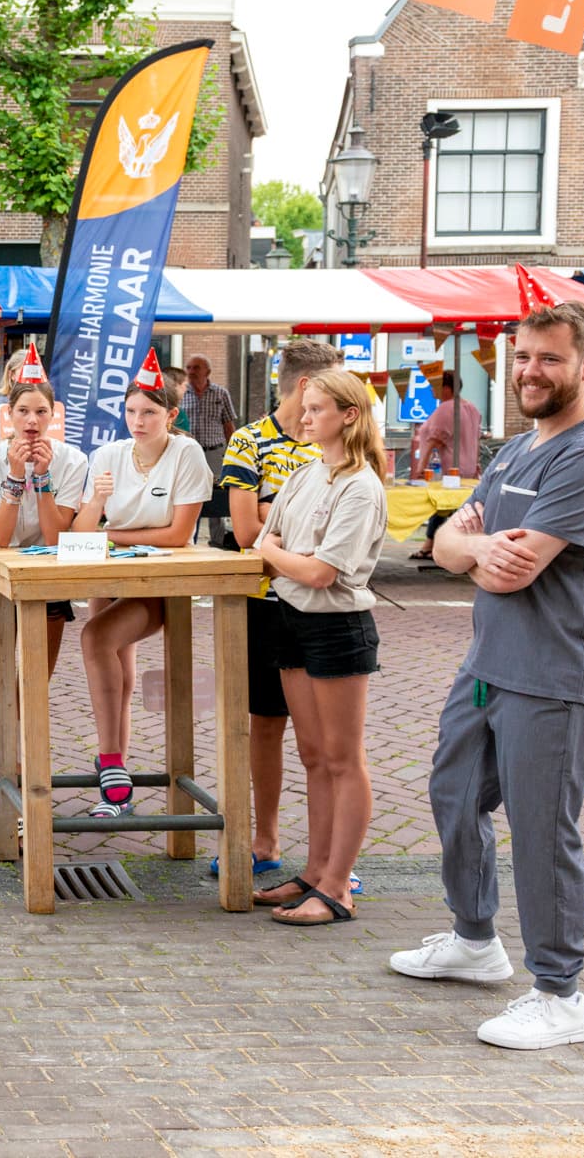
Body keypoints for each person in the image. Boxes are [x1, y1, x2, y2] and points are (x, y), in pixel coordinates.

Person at [392, 302, 584, 1051]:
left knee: (540, 831)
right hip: (488, 666)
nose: (531, 370)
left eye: (550, 358)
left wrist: (475, 548)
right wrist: (468, 548)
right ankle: (475, 939)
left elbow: (509, 569)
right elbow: (443, 543)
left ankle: (560, 993)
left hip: (558, 677)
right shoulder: (514, 451)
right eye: (523, 356)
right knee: (453, 793)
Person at [249, 369, 387, 927]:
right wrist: (279, 552)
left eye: (315, 410)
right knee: (311, 755)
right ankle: (313, 872)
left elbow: (321, 572)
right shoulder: (307, 473)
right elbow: (273, 541)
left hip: (336, 627)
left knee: (341, 758)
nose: (303, 418)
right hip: (289, 619)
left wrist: (274, 551)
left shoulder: (361, 484)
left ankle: (338, 888)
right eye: (304, 409)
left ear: (348, 415)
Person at [218, 336, 343, 876]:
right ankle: (264, 843)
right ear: (305, 386)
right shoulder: (248, 441)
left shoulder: (339, 442)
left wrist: (275, 514)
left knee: (326, 739)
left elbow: (344, 530)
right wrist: (298, 522)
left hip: (322, 605)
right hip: (265, 603)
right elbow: (246, 532)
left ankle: (332, 858)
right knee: (265, 723)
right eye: (333, 385)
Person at [73, 372, 210, 817]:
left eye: (149, 412)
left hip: (159, 583)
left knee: (96, 639)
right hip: (108, 577)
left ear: (171, 415)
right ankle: (116, 787)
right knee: (119, 675)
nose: (138, 420)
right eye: (131, 411)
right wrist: (96, 503)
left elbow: (178, 534)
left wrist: (113, 534)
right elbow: (81, 530)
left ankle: (110, 762)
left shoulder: (186, 452)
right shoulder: (108, 454)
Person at [0, 371, 85, 839]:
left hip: (46, 583)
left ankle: (31, 791)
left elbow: (56, 536)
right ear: (6, 416)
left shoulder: (73, 459)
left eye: (41, 412)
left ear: (53, 418)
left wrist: (45, 477)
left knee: (32, 693)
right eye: (22, 411)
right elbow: (0, 535)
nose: (31, 421)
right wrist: (16, 476)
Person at [181, 354, 239, 543]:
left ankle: (218, 541)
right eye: (188, 368)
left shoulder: (221, 393)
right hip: (189, 454)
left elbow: (228, 424)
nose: (191, 372)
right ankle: (191, 539)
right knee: (191, 495)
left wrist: (234, 453)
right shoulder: (181, 393)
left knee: (217, 498)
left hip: (214, 452)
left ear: (208, 371)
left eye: (196, 368)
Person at [409, 370, 483, 480]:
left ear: (446, 388)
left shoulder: (446, 408)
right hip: (469, 471)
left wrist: (420, 470)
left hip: (448, 473)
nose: (431, 389)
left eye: (435, 386)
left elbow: (434, 441)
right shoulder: (473, 409)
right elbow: (476, 442)